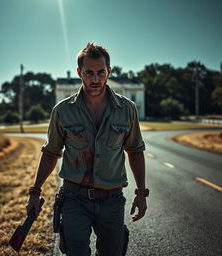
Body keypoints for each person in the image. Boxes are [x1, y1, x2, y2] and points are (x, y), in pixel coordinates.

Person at [26, 42, 149, 256]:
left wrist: (140, 192)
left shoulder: (127, 109)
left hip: (112, 200)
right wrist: (35, 191)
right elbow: (51, 152)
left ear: (109, 71)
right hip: (74, 198)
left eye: (101, 72)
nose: (95, 79)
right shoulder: (63, 111)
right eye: (88, 73)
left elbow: (135, 150)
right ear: (79, 73)